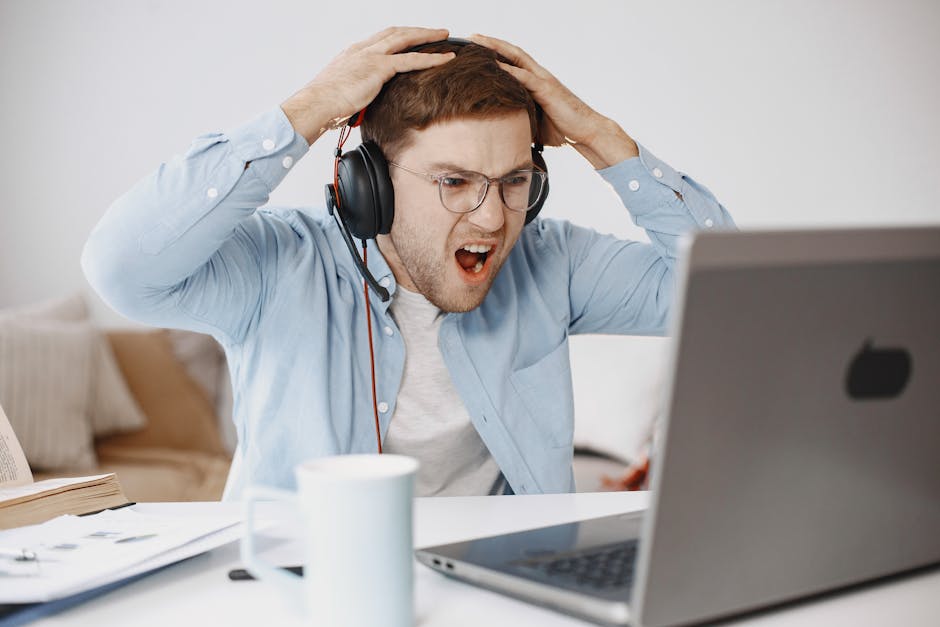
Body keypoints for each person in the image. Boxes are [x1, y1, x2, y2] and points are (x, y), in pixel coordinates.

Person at [82, 26, 734, 499]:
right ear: (372, 185)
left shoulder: (552, 261)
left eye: (514, 180)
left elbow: (726, 292)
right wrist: (306, 111)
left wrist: (599, 135)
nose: (491, 217)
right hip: (310, 587)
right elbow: (121, 266)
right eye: (454, 181)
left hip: (502, 585)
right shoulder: (278, 264)